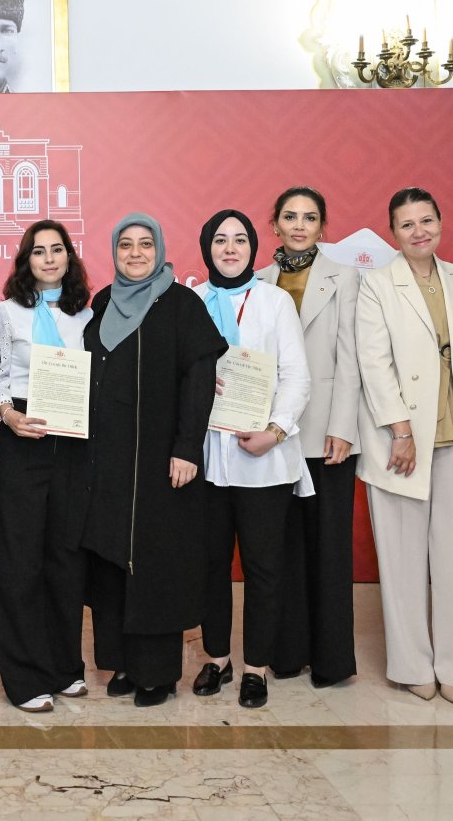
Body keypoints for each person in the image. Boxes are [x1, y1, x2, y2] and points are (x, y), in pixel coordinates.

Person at [81, 214, 226, 707]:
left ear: (160, 249)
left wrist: (188, 447)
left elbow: (200, 378)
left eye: (146, 245)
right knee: (111, 559)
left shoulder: (182, 305)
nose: (136, 253)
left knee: (156, 566)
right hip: (108, 461)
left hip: (164, 463)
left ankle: (158, 674)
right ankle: (123, 663)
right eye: (126, 245)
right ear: (114, 252)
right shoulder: (102, 304)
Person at [355, 187, 453, 706]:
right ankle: (412, 665)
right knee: (404, 561)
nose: (419, 232)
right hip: (401, 442)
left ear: (440, 222)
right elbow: (374, 363)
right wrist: (401, 431)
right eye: (407, 225)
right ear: (393, 233)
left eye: (427, 220)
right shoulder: (376, 284)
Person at [192, 209, 311, 710]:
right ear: (207, 247)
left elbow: (296, 376)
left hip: (263, 458)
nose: (230, 248)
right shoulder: (190, 301)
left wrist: (275, 431)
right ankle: (216, 658)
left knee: (263, 568)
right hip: (206, 459)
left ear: (253, 248)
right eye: (220, 240)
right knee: (210, 565)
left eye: (240, 239)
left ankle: (255, 668)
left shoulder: (275, 300)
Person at [257, 186, 361, 690]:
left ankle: (331, 660)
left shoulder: (347, 279)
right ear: (273, 223)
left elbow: (352, 359)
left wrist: (344, 426)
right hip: (270, 436)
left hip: (325, 435)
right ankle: (286, 652)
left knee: (329, 548)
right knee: (281, 549)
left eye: (311, 217)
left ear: (324, 226)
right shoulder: (255, 280)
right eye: (290, 216)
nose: (300, 225)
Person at [0, 220, 92, 713]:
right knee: (19, 561)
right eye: (38, 251)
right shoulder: (5, 313)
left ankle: (63, 666)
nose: (49, 258)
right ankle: (23, 674)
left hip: (72, 443)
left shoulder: (87, 316)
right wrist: (7, 414)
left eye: (57, 250)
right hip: (21, 438)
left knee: (65, 560)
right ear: (25, 261)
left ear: (69, 257)